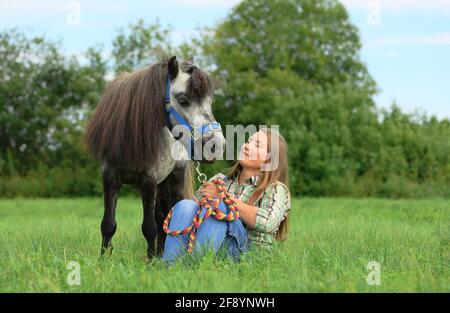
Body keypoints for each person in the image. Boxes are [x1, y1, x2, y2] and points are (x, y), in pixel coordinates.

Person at [162, 128, 291, 265]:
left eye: (257, 145)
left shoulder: (276, 189)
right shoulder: (220, 180)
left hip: (247, 255)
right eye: (248, 141)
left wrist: (223, 197)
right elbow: (192, 212)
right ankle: (170, 266)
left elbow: (267, 222)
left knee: (219, 206)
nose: (247, 145)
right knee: (186, 205)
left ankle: (194, 266)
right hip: (217, 246)